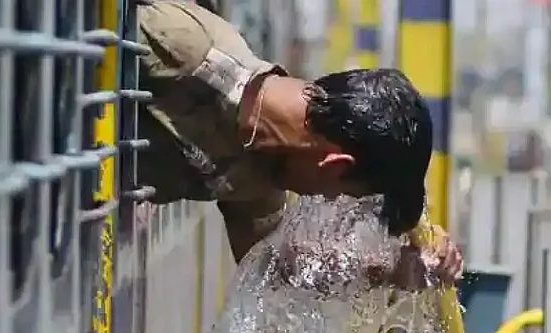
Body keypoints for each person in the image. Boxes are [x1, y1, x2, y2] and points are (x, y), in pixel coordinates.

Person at [135, 0, 463, 278]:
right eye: (341, 193)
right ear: (334, 165)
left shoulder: (257, 172)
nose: (329, 198)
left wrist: (393, 270)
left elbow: (273, 270)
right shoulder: (185, 49)